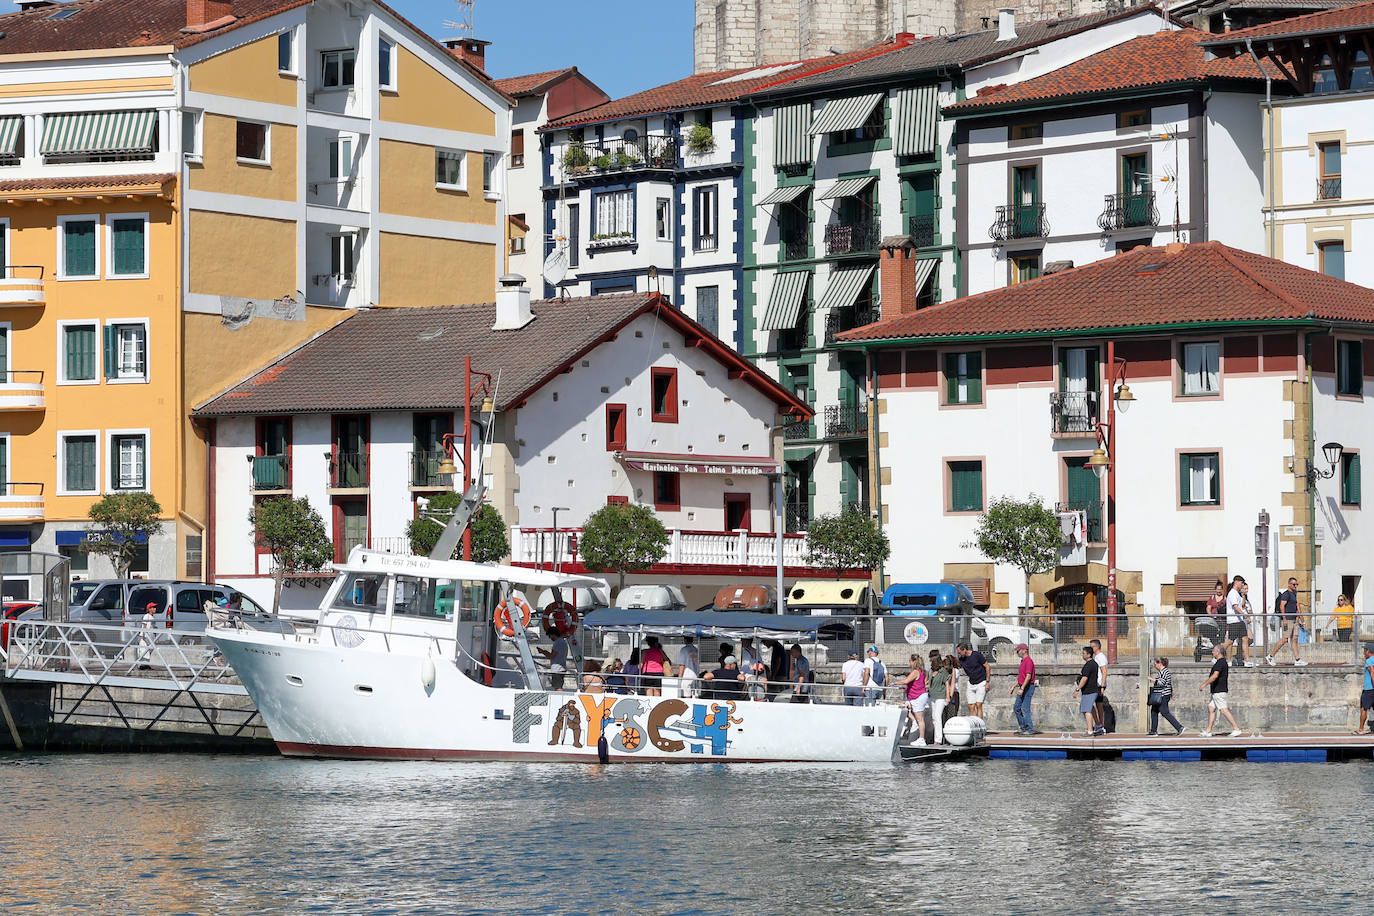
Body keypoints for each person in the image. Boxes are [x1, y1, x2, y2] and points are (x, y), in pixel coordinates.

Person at [1198, 643, 1244, 737]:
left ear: (1218, 652)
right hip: (1215, 691)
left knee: (1223, 710)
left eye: (1214, 651)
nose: (1212, 652)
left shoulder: (1220, 662)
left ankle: (1236, 728)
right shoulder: (1221, 662)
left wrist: (1204, 684)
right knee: (1211, 708)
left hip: (1219, 691)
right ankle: (1208, 730)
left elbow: (1215, 676)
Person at [1268, 577, 1307, 666]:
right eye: (1294, 584)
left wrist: (1300, 620)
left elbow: (1297, 608)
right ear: (1289, 584)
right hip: (1288, 619)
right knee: (1285, 639)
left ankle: (1297, 659)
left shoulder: (1294, 594)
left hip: (1294, 620)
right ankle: (1271, 656)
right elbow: (1282, 606)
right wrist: (1284, 619)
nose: (1295, 586)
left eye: (1297, 584)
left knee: (1294, 639)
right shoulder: (1286, 594)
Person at [1147, 656, 1184, 736]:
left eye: (1155, 664)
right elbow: (1168, 684)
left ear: (1159, 663)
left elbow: (1161, 683)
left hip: (1162, 696)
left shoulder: (1164, 672)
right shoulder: (1163, 672)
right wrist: (1171, 693)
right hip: (1162, 695)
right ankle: (1153, 730)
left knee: (1165, 712)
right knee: (1154, 712)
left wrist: (1151, 679)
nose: (1154, 666)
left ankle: (1179, 727)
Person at [897, 654, 929, 745]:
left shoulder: (916, 671)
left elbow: (906, 681)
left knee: (920, 719)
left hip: (918, 696)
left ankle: (922, 739)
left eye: (910, 661)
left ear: (914, 662)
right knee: (905, 709)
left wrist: (895, 683)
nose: (909, 663)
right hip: (915, 696)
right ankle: (914, 722)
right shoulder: (922, 671)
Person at [957, 642, 990, 720]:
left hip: (981, 682)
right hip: (971, 683)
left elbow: (987, 667)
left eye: (959, 652)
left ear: (964, 650)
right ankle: (974, 725)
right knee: (971, 706)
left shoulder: (976, 655)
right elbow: (956, 666)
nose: (959, 654)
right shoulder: (961, 659)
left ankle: (980, 725)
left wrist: (987, 682)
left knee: (979, 704)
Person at [1074, 645, 1102, 737]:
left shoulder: (1088, 665)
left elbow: (1084, 679)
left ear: (1089, 655)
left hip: (1089, 691)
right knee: (1090, 708)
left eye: (1084, 653)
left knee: (1086, 710)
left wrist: (1077, 689)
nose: (1082, 655)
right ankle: (1098, 726)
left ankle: (1090, 730)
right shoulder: (1094, 663)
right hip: (1093, 690)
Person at [1225, 576, 1253, 667]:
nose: (1242, 585)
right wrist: (1244, 614)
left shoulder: (1237, 594)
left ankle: (1247, 660)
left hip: (1240, 620)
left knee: (1245, 639)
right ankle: (1218, 653)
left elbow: (1242, 605)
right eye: (1241, 583)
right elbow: (1235, 607)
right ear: (1237, 582)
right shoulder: (1232, 593)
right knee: (1230, 641)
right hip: (1234, 621)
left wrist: (1244, 595)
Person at [1011, 643, 1037, 736]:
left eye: (1018, 650)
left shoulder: (1028, 661)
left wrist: (1022, 688)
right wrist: (1014, 686)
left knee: (1025, 709)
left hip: (1028, 687)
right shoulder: (1023, 661)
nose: (1017, 652)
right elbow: (1022, 677)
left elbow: (1028, 676)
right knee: (1017, 708)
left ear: (1024, 650)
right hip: (1022, 687)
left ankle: (1029, 729)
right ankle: (1023, 727)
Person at [928, 655, 953, 744]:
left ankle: (938, 739)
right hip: (933, 696)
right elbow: (928, 682)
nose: (930, 663)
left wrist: (948, 696)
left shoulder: (943, 672)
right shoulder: (930, 670)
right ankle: (935, 737)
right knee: (934, 717)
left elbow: (947, 684)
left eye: (931, 661)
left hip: (941, 697)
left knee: (937, 716)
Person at [1358, 643, 1374, 735]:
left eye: (1364, 650)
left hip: (1369, 689)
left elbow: (1372, 672)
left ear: (1368, 651)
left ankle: (1361, 729)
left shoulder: (1369, 661)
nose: (1364, 653)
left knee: (1363, 709)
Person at [944, 654, 961, 721]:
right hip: (949, 692)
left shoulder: (955, 671)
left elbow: (951, 683)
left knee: (953, 712)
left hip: (954, 692)